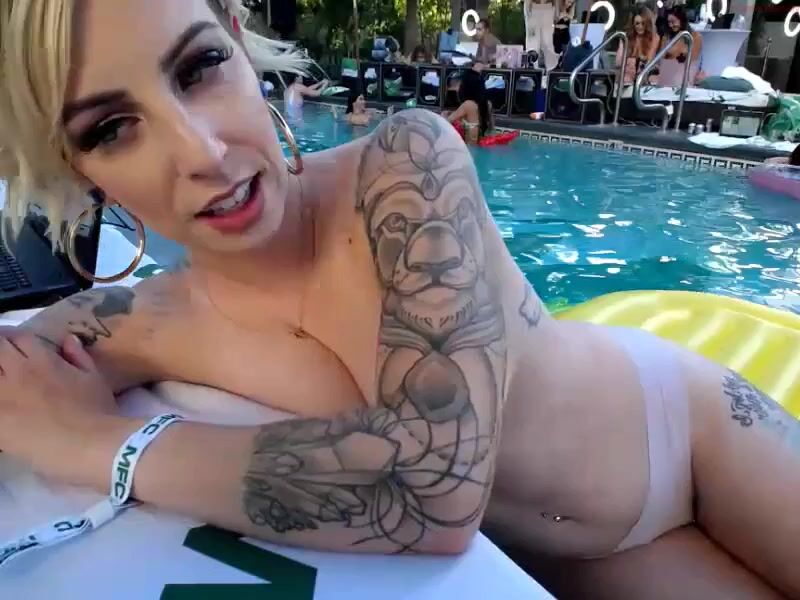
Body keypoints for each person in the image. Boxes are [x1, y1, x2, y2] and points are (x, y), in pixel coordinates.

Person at [0, 1, 799, 598]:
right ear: (77, 168)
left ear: (241, 48)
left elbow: (435, 485)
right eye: (112, 128)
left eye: (199, 68)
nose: (200, 151)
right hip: (568, 556)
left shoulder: (402, 167)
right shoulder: (142, 321)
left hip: (683, 438)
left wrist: (99, 443)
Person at [444, 69, 494, 145]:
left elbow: (446, 122)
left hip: (469, 148)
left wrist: (443, 116)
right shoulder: (488, 104)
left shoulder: (468, 105)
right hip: (480, 147)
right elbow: (492, 129)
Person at [657, 6, 702, 87]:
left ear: (682, 20)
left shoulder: (695, 37)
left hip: (685, 73)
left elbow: (693, 59)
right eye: (669, 22)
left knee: (677, 81)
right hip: (667, 71)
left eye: (673, 22)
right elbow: (661, 58)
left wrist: (674, 55)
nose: (671, 25)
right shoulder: (666, 37)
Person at [617, 6, 660, 85]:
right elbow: (619, 61)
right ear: (633, 24)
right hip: (626, 77)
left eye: (643, 23)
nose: (640, 26)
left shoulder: (654, 37)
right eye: (637, 23)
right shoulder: (625, 37)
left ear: (648, 24)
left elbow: (649, 61)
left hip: (644, 77)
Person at [524, 0, 559, 71]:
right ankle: (533, 67)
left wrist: (556, 13)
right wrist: (527, 13)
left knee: (547, 42)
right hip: (534, 9)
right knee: (533, 43)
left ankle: (550, 68)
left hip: (547, 9)